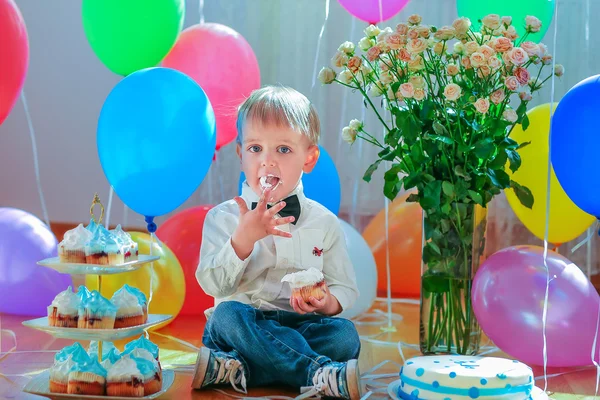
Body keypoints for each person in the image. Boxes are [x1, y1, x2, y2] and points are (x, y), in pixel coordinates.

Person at [191, 85, 362, 399]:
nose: (267, 162)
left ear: (308, 158)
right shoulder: (223, 218)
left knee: (345, 336)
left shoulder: (323, 222)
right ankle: (317, 372)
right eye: (256, 148)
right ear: (241, 154)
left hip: (301, 326)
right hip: (244, 323)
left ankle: (237, 369)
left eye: (283, 150)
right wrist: (242, 241)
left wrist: (327, 302)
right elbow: (212, 285)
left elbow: (346, 287)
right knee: (226, 315)